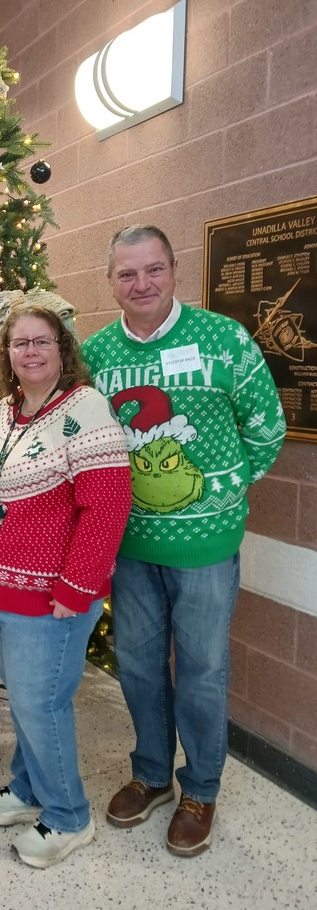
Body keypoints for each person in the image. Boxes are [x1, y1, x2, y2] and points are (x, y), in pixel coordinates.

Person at [81, 225, 287, 857]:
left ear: (175, 270)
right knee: (139, 667)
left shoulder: (224, 340)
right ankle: (151, 776)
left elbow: (267, 426)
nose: (141, 284)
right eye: (126, 273)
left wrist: (223, 493)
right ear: (111, 281)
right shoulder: (95, 356)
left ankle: (199, 787)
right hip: (132, 547)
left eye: (152, 270)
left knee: (200, 670)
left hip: (206, 547)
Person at [0, 305, 132, 869]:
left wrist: (78, 585)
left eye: (41, 341)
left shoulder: (85, 408)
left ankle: (68, 818)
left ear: (62, 348)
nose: (30, 352)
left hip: (51, 595)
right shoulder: (7, 410)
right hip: (1, 588)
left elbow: (107, 504)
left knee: (42, 705)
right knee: (26, 702)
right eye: (19, 343)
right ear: (5, 353)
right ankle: (28, 787)